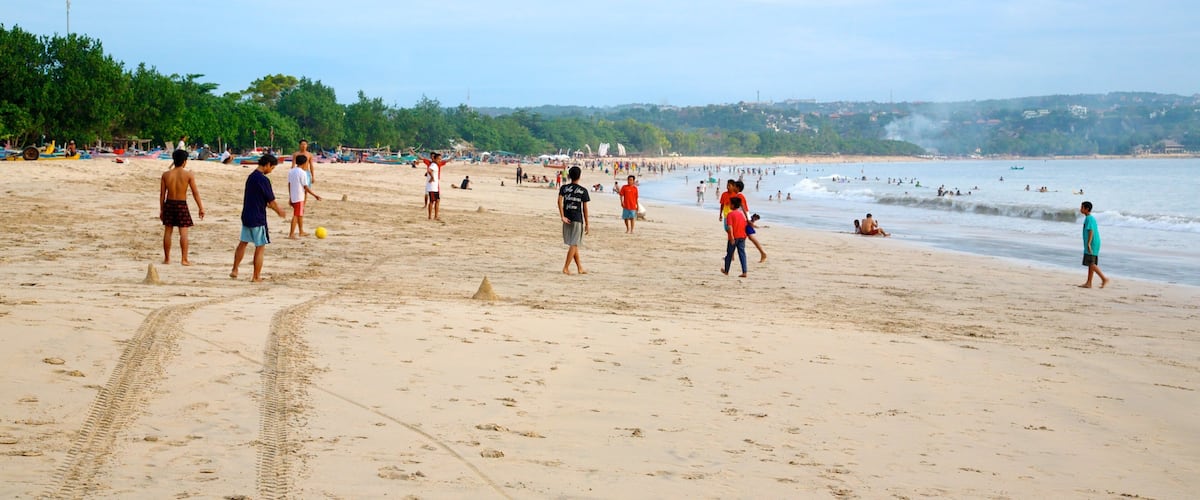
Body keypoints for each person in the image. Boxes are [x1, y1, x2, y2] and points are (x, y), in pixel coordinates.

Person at [231, 154, 287, 282]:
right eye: (272, 168)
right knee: (260, 246)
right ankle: (256, 276)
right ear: (267, 165)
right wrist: (279, 211)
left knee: (243, 243)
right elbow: (271, 201)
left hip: (247, 214)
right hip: (258, 217)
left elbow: (258, 197)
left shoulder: (251, 177)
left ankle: (235, 269)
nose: (271, 171)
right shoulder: (263, 180)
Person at [159, 148, 205, 265]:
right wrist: (201, 207)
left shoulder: (166, 175)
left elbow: (162, 194)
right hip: (181, 204)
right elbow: (195, 192)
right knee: (183, 233)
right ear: (184, 161)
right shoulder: (188, 175)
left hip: (169, 203)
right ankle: (184, 259)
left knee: (168, 232)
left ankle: (167, 258)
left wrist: (162, 209)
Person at [558, 166, 590, 275]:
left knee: (573, 243)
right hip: (577, 219)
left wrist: (562, 216)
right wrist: (587, 223)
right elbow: (584, 209)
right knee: (574, 243)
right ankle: (566, 267)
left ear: (569, 175)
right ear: (579, 176)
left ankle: (580, 267)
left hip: (566, 217)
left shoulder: (564, 188)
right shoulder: (583, 191)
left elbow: (559, 202)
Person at [288, 155, 323, 239]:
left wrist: (290, 196)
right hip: (299, 196)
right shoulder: (302, 173)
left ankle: (301, 231)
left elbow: (289, 184)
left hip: (293, 195)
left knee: (300, 214)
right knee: (296, 215)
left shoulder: (291, 171)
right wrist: (315, 195)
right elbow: (306, 187)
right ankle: (291, 234)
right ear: (304, 163)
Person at [1079, 201, 1109, 288]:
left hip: (1092, 243)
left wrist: (1088, 243)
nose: (1080, 209)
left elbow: (1091, 231)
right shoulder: (1089, 218)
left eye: (1082, 207)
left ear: (1086, 209)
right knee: (1090, 263)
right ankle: (1089, 283)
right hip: (1093, 242)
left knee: (1091, 263)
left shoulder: (1089, 218)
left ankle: (1104, 279)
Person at [418, 150, 452, 220]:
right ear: (435, 159)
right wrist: (432, 178)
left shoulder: (435, 165)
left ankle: (434, 216)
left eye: (440, 159)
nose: (440, 160)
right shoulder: (434, 165)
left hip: (434, 186)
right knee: (432, 201)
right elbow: (429, 170)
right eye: (439, 159)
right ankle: (431, 216)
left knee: (436, 200)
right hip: (432, 186)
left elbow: (429, 171)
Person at [721, 197, 749, 278]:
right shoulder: (741, 214)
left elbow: (730, 227)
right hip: (742, 236)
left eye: (730, 203)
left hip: (734, 237)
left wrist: (732, 237)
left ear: (733, 205)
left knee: (729, 254)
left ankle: (726, 271)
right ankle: (744, 272)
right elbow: (744, 225)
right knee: (742, 254)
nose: (729, 205)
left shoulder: (730, 214)